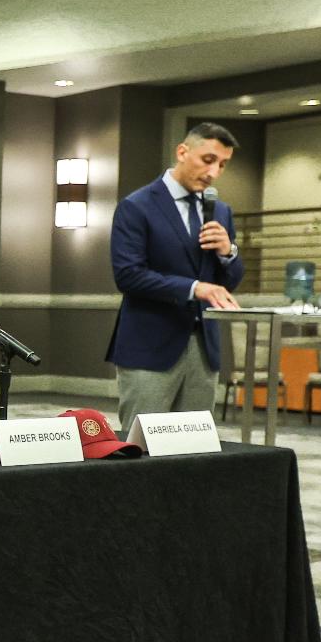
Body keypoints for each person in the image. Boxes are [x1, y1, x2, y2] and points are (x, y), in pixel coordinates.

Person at [106, 122, 245, 433]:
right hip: (150, 346)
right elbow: (128, 275)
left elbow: (228, 283)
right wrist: (194, 288)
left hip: (203, 349)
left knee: (193, 451)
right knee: (143, 447)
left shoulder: (220, 212)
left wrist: (228, 252)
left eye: (222, 164)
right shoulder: (136, 206)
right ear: (182, 152)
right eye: (208, 160)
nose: (214, 173)